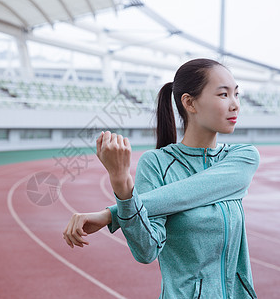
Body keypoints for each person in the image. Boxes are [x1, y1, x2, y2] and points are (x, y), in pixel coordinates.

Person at [63, 58, 260, 298]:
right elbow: (146, 251)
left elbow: (195, 191)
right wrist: (121, 182)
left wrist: (112, 214)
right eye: (223, 95)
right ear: (189, 102)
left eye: (236, 94)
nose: (235, 105)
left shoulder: (242, 157)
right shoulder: (156, 163)